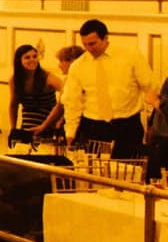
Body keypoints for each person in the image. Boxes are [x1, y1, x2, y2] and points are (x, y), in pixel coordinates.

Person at [62, 18, 159, 157]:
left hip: (127, 125)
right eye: (85, 44)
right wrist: (70, 132)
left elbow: (151, 87)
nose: (89, 48)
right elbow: (72, 101)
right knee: (94, 172)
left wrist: (153, 124)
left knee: (129, 171)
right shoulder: (78, 66)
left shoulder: (130, 57)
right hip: (93, 126)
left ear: (105, 38)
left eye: (93, 43)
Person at [8, 43, 62, 144]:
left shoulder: (48, 77)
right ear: (19, 61)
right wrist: (13, 129)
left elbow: (67, 94)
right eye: (27, 57)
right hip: (27, 129)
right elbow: (13, 105)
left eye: (34, 56)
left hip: (47, 130)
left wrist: (56, 122)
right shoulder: (15, 80)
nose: (32, 60)